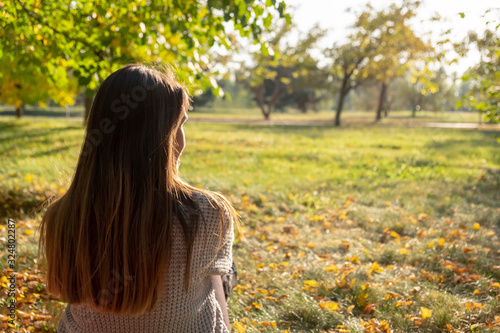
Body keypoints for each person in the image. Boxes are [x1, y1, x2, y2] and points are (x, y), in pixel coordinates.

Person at [38, 64, 238, 333]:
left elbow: (63, 289)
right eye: (179, 126)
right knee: (222, 271)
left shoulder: (62, 216)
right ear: (164, 138)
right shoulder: (210, 212)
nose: (182, 139)